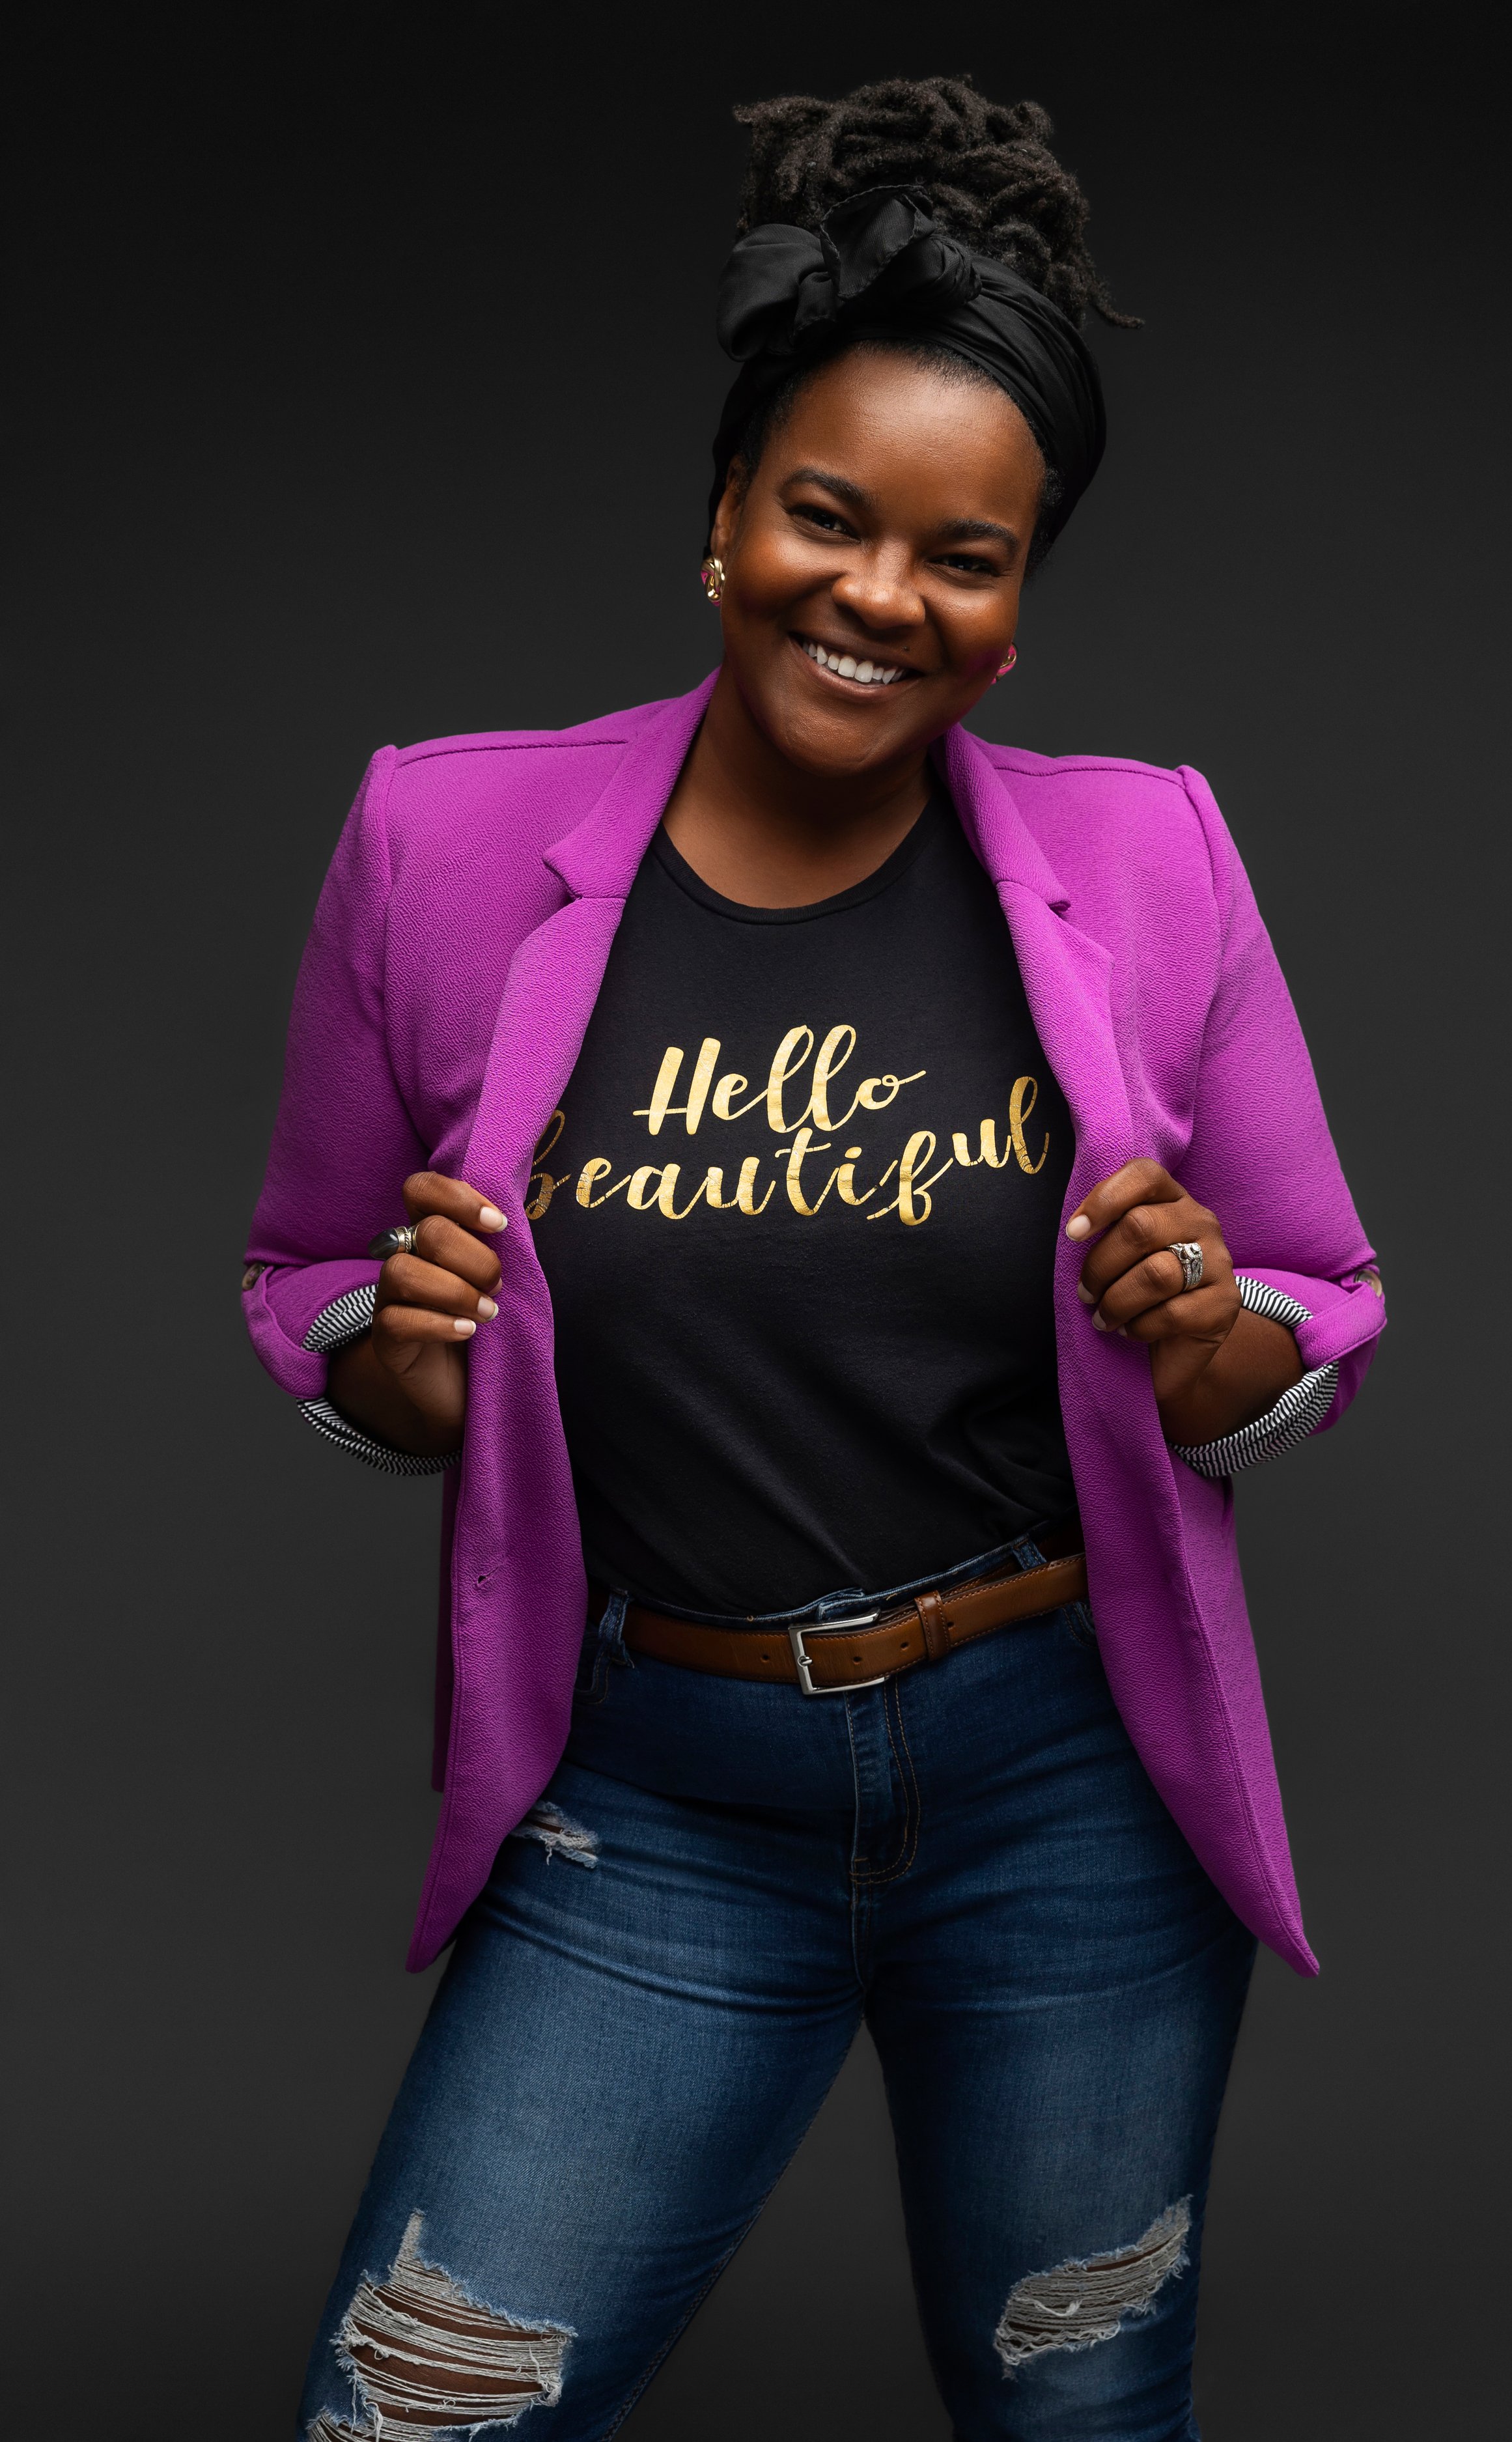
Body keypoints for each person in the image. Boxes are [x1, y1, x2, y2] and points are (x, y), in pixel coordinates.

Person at [244, 75, 1384, 2442]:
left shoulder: (1146, 861)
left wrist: (1210, 1345)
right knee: (413, 2414)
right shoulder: (445, 843)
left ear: (1014, 605)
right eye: (828, 519)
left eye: (965, 559)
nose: (882, 597)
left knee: (1080, 2410)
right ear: (724, 521)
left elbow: (1311, 1321)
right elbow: (314, 1285)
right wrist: (405, 1359)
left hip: (1062, 1783)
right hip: (655, 1798)